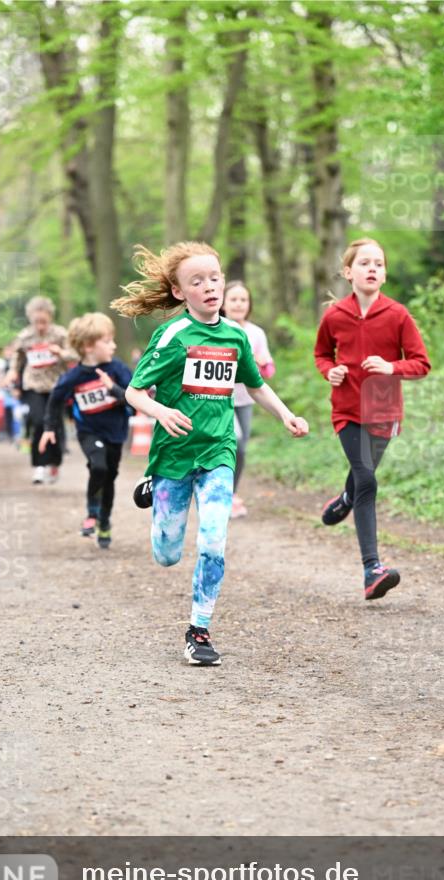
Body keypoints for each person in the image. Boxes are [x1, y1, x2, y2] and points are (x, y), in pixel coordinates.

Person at [114, 242, 308, 667]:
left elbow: (255, 385)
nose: (209, 287)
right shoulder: (171, 336)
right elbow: (133, 391)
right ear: (180, 291)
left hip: (218, 450)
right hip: (173, 456)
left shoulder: (236, 336)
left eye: (215, 278)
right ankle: (154, 485)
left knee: (214, 540)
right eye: (197, 281)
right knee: (166, 553)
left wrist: (287, 414)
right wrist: (162, 411)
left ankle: (198, 629)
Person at [314, 237, 431, 600]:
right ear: (348, 272)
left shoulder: (397, 315)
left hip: (384, 412)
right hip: (347, 410)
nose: (372, 269)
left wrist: (390, 366)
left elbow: (421, 363)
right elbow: (321, 354)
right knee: (367, 479)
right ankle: (372, 569)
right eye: (364, 263)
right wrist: (330, 370)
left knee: (361, 482)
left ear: (385, 273)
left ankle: (346, 499)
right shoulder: (335, 316)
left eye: (378, 264)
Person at [39, 313, 132, 549]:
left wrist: (114, 390)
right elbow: (55, 399)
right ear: (89, 346)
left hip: (116, 432)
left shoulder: (118, 369)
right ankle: (92, 513)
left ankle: (105, 520)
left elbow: (134, 398)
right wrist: (49, 427)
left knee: (109, 477)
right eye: (108, 341)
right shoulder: (74, 376)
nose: (114, 345)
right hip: (89, 432)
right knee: (98, 465)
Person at [7, 296, 76, 484]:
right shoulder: (25, 336)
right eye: (36, 321)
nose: (40, 326)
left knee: (55, 425)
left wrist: (60, 352)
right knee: (38, 422)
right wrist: (13, 371)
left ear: (50, 318)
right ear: (31, 319)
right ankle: (39, 465)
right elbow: (16, 356)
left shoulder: (61, 334)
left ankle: (54, 463)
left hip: (56, 385)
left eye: (44, 321)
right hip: (33, 385)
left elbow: (75, 354)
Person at [222, 280, 275, 518]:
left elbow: (267, 371)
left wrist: (262, 364)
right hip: (220, 399)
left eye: (243, 299)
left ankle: (230, 494)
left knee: (241, 449)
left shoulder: (256, 333)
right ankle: (216, 492)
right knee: (234, 439)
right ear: (223, 303)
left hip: (246, 399)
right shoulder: (217, 328)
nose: (239, 304)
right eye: (233, 299)